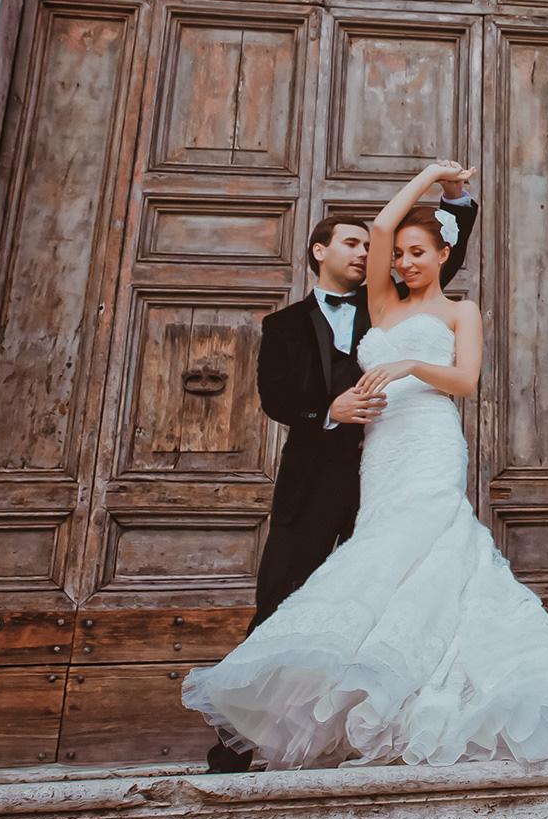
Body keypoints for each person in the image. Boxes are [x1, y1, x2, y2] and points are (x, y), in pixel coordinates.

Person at [185, 160, 548, 770]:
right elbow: (380, 240)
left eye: (417, 252)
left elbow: (465, 378)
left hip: (428, 445)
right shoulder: (375, 307)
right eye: (389, 253)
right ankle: (262, 731)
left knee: (430, 562)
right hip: (360, 461)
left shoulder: (456, 311)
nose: (395, 260)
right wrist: (424, 177)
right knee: (333, 584)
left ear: (442, 253)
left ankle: (423, 708)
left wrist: (452, 193)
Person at [202, 166, 478, 774]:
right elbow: (274, 397)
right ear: (319, 251)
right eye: (353, 244)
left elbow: (437, 245)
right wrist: (327, 410)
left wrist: (451, 193)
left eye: (369, 246)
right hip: (317, 477)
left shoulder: (397, 299)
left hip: (396, 469)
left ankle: (374, 725)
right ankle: (247, 737)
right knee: (285, 598)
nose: (370, 254)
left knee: (389, 595)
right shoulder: (283, 326)